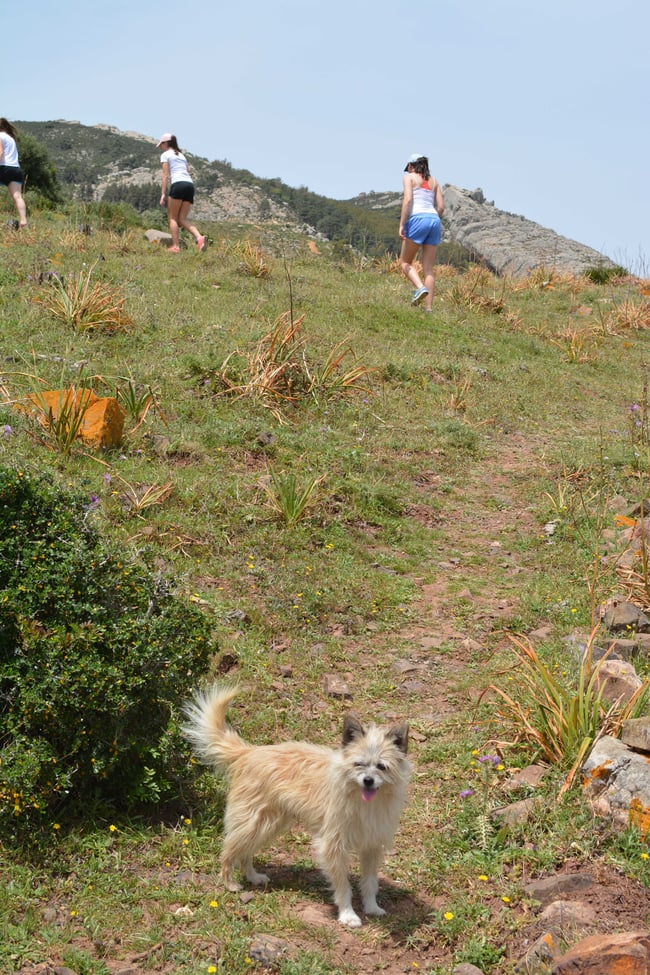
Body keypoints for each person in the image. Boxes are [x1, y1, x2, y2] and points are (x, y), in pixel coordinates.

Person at [399, 153, 444, 311]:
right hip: (434, 220)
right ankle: (429, 308)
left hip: (418, 218)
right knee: (428, 269)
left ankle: (420, 288)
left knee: (405, 262)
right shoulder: (434, 181)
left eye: (408, 168)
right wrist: (433, 220)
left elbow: (408, 200)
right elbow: (441, 207)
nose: (408, 170)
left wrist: (402, 224)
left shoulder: (409, 178)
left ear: (412, 166)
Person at [157, 133, 206, 253]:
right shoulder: (182, 156)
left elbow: (165, 175)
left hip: (178, 185)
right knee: (182, 218)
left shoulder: (165, 155)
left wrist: (163, 194)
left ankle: (175, 246)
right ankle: (199, 238)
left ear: (166, 143)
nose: (160, 147)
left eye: (161, 144)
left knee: (172, 218)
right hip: (189, 185)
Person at [0, 119, 27, 228]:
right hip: (16, 169)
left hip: (3, 167)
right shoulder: (11, 138)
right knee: (18, 197)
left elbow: (0, 152)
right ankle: (23, 221)